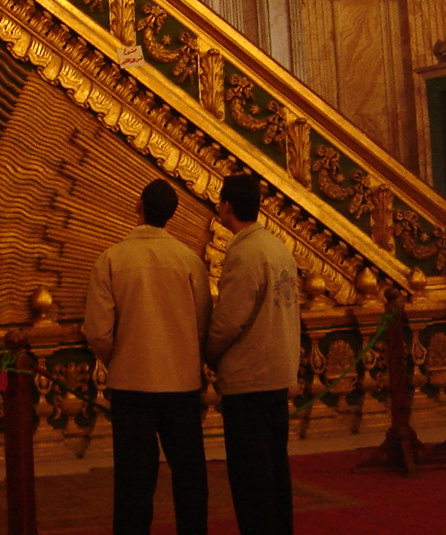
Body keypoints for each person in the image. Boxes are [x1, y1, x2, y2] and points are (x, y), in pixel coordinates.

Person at [83, 178, 212, 535]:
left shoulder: (111, 260)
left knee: (133, 481)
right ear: (172, 214)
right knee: (189, 475)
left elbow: (97, 331)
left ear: (138, 206)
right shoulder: (189, 260)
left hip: (131, 385)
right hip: (182, 384)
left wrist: (120, 357)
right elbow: (203, 325)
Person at [205, 172, 300, 535]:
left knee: (251, 477)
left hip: (249, 379)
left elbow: (230, 320)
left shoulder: (244, 253)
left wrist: (208, 353)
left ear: (227, 206)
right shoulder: (277, 247)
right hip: (277, 373)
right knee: (275, 469)